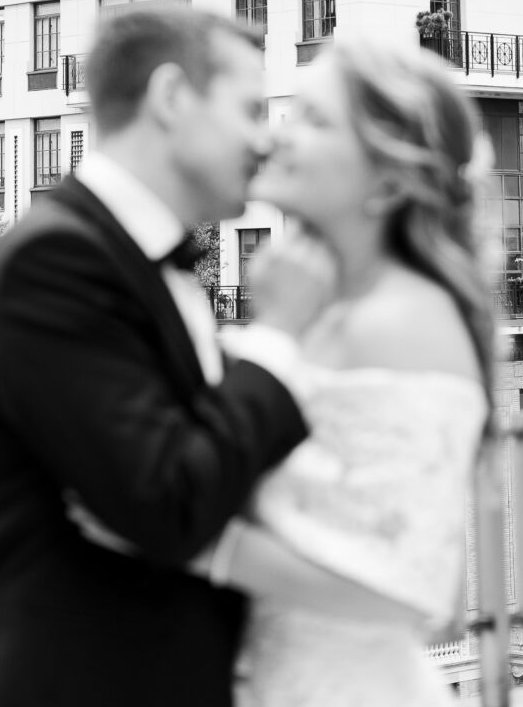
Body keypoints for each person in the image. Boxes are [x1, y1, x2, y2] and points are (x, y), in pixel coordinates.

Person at [0, 3, 335, 707]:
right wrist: (278, 339)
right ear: (172, 98)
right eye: (248, 110)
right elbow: (166, 498)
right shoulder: (52, 262)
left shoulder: (147, 262)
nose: (265, 142)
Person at [72, 36, 497, 706]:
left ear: (388, 182)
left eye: (315, 121)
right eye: (288, 112)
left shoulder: (403, 319)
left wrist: (193, 544)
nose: (275, 139)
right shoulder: (314, 308)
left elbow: (411, 589)